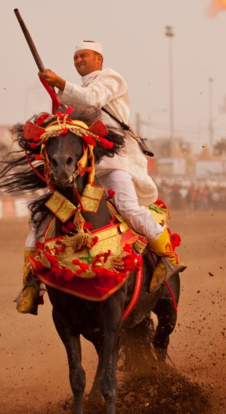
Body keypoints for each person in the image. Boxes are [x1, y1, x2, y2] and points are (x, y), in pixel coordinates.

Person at [15, 40, 185, 314]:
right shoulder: (79, 90)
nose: (78, 60)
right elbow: (68, 116)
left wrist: (60, 83)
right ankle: (30, 284)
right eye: (75, 57)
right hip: (83, 171)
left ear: (98, 58)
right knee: (42, 221)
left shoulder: (110, 79)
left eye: (83, 55)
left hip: (116, 162)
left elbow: (92, 100)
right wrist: (56, 101)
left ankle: (167, 258)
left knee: (128, 208)